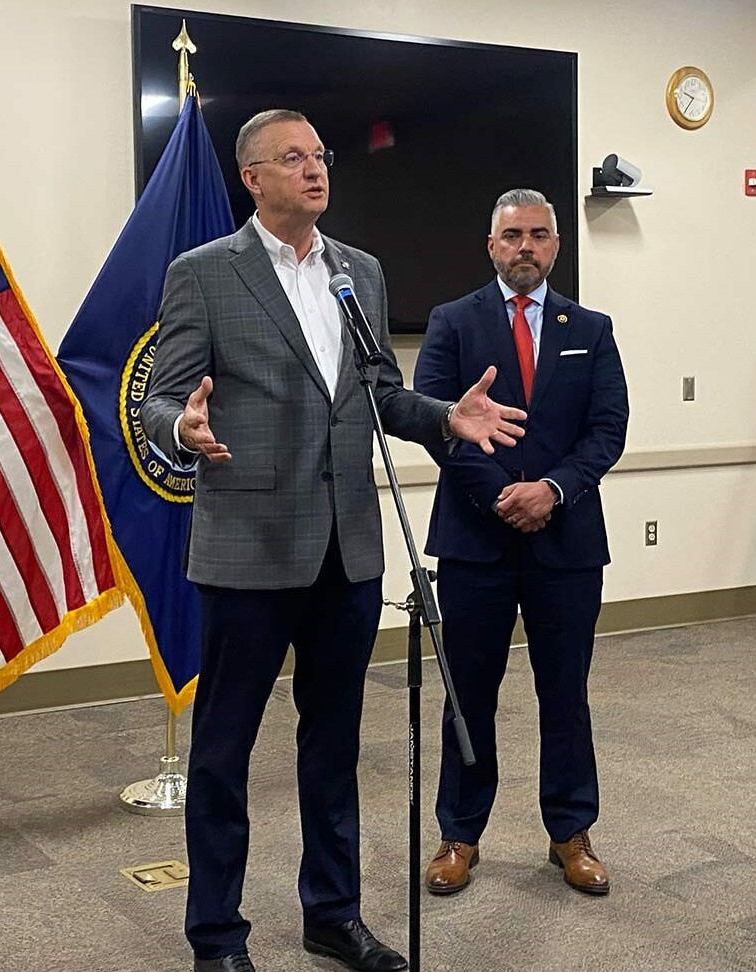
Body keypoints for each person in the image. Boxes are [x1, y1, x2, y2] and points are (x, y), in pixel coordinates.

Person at [141, 109, 527, 972]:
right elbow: (162, 399)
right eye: (293, 159)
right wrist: (184, 430)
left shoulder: (360, 271)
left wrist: (445, 420)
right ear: (253, 178)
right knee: (224, 755)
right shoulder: (204, 274)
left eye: (320, 156)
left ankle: (333, 913)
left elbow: (381, 391)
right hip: (247, 546)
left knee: (334, 747)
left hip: (346, 550)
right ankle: (216, 936)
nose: (316, 170)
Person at [413, 189, 629, 898]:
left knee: (565, 693)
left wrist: (552, 491)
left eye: (538, 234)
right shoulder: (451, 322)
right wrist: (502, 493)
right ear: (492, 245)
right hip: (477, 541)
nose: (526, 247)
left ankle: (570, 833)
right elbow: (436, 422)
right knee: (467, 693)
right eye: (513, 235)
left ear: (556, 245)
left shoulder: (590, 328)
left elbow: (607, 429)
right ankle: (459, 835)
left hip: (566, 543)